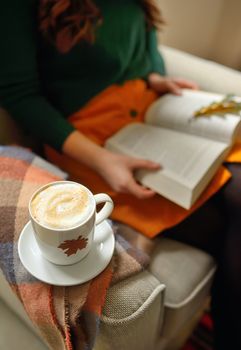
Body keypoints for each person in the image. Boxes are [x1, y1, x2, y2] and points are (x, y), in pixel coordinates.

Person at [0, 1, 240, 349]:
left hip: (147, 111)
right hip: (91, 139)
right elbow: (20, 95)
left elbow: (145, 40)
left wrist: (156, 77)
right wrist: (103, 160)